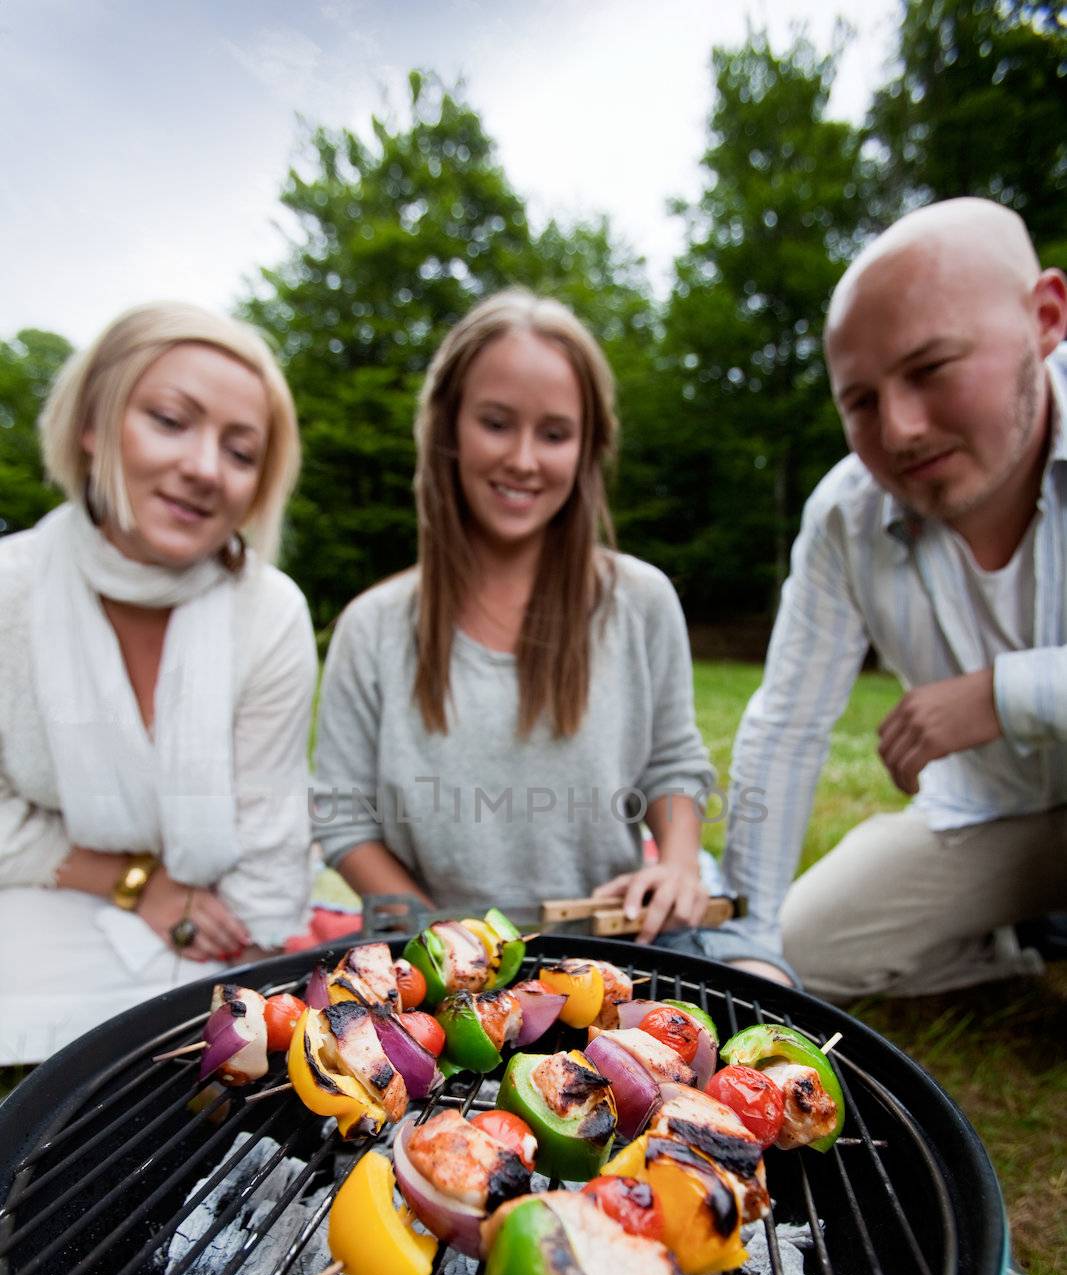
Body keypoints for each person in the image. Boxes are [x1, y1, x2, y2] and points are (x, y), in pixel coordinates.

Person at [701, 197, 1067, 999]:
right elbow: (786, 724)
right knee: (803, 942)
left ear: (1044, 317)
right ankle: (1027, 937)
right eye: (859, 402)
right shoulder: (844, 513)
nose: (898, 430)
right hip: (985, 817)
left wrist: (1005, 696)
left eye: (930, 369)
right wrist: (751, 940)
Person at [312, 288, 714, 937]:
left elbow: (671, 765)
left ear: (587, 448)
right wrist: (437, 936)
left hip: (617, 947)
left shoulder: (640, 601)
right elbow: (342, 818)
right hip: (432, 961)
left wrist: (677, 864)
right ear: (447, 428)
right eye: (496, 423)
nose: (523, 459)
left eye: (553, 434)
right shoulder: (372, 627)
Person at [0, 303, 318, 1063]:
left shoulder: (270, 613)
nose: (206, 468)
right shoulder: (9, 591)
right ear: (93, 424)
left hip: (216, 936)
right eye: (171, 420)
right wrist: (136, 884)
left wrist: (185, 922)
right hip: (41, 910)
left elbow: (269, 871)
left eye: (241, 452)